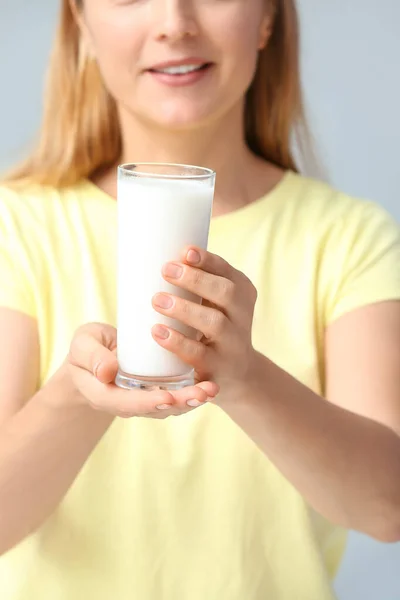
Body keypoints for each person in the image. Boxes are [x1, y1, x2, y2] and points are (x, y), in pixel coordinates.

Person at [0, 0, 399, 598]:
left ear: (267, 18)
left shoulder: (350, 238)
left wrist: (247, 380)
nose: (175, 22)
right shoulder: (16, 228)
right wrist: (75, 395)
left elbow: (387, 508)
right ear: (80, 22)